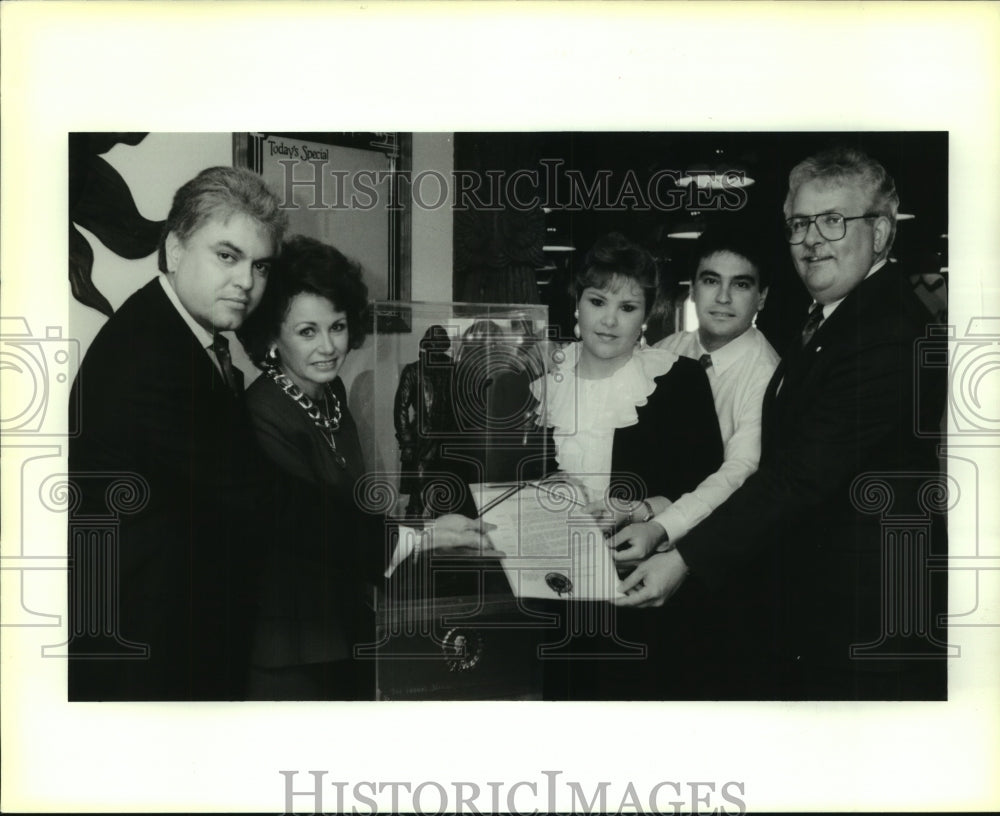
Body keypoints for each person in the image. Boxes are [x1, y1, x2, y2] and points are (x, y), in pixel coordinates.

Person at [617, 147, 948, 700]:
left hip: (869, 624)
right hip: (829, 612)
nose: (812, 239)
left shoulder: (883, 332)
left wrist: (683, 557)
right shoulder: (834, 318)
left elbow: (796, 475)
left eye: (834, 220)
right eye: (800, 223)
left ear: (883, 233)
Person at [237, 235, 492, 699]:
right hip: (291, 648)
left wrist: (425, 526)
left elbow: (348, 508)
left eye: (337, 326)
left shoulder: (330, 395)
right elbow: (317, 531)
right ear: (272, 335)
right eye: (307, 331)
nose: (329, 346)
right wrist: (426, 538)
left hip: (344, 626)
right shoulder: (263, 412)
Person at [67, 166, 287, 700]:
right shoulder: (150, 354)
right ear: (173, 249)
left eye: (260, 265)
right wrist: (399, 538)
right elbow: (252, 494)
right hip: (145, 654)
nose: (246, 282)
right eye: (226, 255)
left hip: (178, 633)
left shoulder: (182, 334)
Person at [531, 231, 725, 698]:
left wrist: (639, 508)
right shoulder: (538, 379)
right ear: (576, 302)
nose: (610, 320)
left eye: (628, 307)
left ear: (647, 315)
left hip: (641, 591)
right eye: (598, 301)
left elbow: (708, 486)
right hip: (550, 595)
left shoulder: (679, 380)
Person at [607, 225, 779, 562]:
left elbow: (738, 472)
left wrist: (660, 526)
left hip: (717, 554)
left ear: (762, 297)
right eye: (711, 280)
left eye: (741, 284)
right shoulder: (665, 351)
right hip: (637, 535)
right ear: (693, 290)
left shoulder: (768, 374)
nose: (723, 298)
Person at [393, 324, 456, 517]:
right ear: (427, 345)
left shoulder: (454, 369)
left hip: (449, 436)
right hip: (423, 437)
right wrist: (407, 442)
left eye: (441, 344)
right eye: (434, 344)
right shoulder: (413, 371)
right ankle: (413, 531)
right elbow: (401, 408)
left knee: (446, 490)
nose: (437, 348)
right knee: (418, 491)